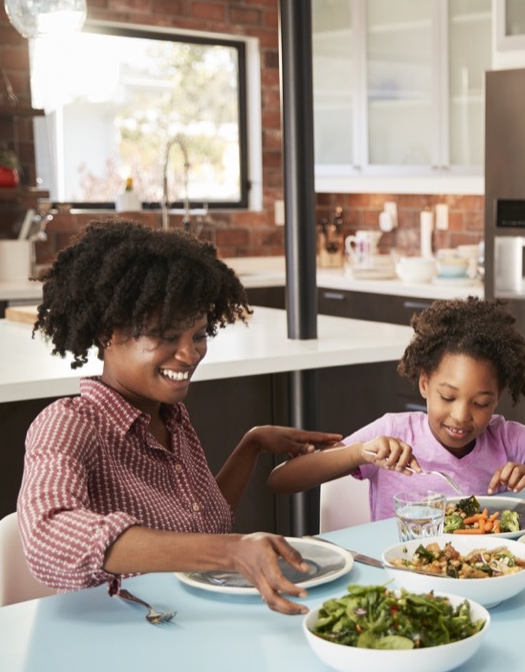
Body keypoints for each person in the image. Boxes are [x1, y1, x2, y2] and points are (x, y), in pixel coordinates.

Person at [18, 219, 342, 615]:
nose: (190, 354)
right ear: (106, 333)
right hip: (117, 633)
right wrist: (228, 552)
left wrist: (252, 445)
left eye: (199, 335)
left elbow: (203, 529)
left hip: (181, 621)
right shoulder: (69, 424)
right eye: (167, 336)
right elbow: (47, 536)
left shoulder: (172, 417)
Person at [268, 296, 525, 519]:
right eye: (447, 397)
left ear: (497, 398)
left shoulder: (506, 439)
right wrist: (360, 453)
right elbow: (282, 479)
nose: (461, 416)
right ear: (424, 383)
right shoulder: (393, 431)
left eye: (482, 403)